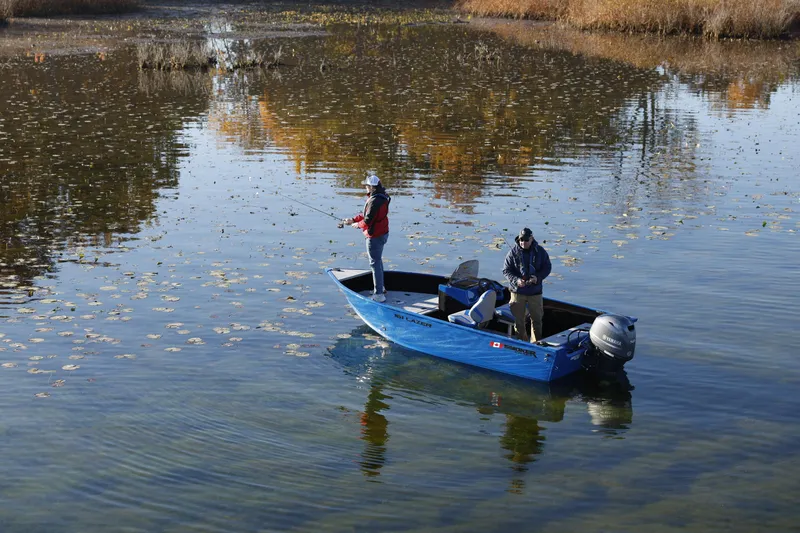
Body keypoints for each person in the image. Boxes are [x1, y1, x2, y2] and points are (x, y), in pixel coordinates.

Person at [343, 174, 391, 302]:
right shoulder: (380, 197)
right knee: (378, 260)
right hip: (383, 233)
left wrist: (356, 225)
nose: (365, 187)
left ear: (372, 187)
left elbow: (368, 220)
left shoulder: (375, 201)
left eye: (367, 185)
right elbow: (367, 215)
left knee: (374, 263)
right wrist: (353, 219)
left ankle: (379, 294)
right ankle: (381, 288)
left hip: (375, 236)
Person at [503, 227, 551, 342]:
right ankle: (522, 343)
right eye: (521, 240)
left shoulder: (540, 252)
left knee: (537, 320)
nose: (523, 243)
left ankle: (536, 343)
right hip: (517, 292)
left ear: (531, 239)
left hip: (535, 292)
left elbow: (547, 267)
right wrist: (517, 280)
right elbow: (506, 271)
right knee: (518, 321)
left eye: (526, 240)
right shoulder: (512, 253)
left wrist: (537, 278)